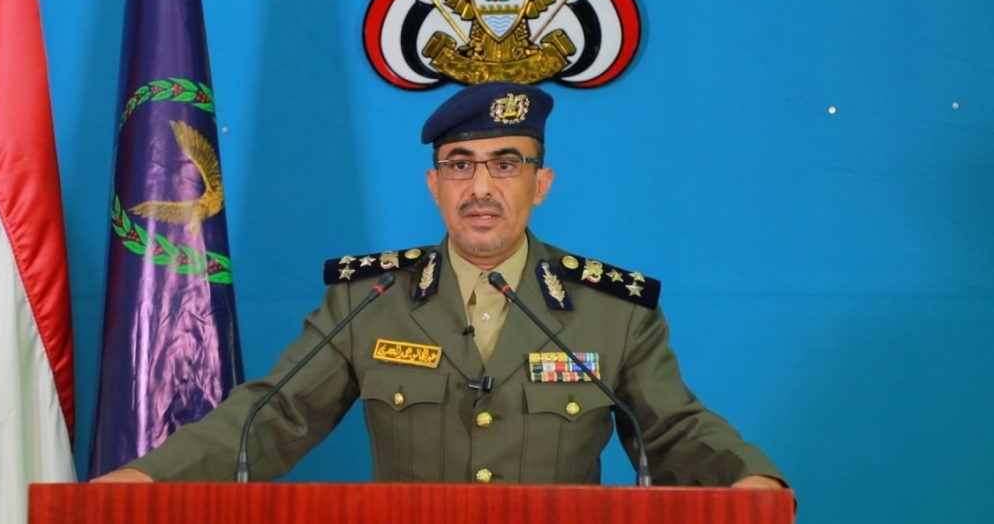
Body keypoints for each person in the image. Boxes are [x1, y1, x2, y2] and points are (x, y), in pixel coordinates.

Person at [94, 82, 786, 488]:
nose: (480, 187)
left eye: (505, 164)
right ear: (434, 184)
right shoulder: (367, 299)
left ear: (541, 184)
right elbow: (275, 414)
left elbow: (671, 429)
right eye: (459, 164)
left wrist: (748, 477)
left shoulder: (613, 312)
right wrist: (151, 476)